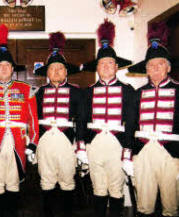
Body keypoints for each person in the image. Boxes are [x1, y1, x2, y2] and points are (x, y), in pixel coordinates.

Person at [0, 24, 39, 217]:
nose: (4, 69)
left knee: (13, 181)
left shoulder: (26, 89)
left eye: (7, 66)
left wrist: (33, 143)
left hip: (17, 141)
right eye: (0, 66)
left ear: (12, 69)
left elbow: (33, 119)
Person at [78, 19, 134, 217]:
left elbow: (132, 124)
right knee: (98, 188)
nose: (106, 66)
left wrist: (128, 150)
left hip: (117, 144)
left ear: (117, 66)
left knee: (116, 188)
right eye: (102, 63)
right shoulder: (88, 92)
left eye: (110, 63)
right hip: (94, 144)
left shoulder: (128, 91)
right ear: (97, 67)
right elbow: (81, 121)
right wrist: (81, 146)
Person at [127, 22, 179, 217]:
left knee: (171, 206)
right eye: (151, 65)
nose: (155, 68)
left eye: (160, 64)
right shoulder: (137, 93)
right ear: (146, 70)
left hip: (172, 154)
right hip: (143, 152)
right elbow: (131, 125)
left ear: (168, 68)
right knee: (144, 206)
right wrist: (128, 155)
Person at [34, 32, 80, 217]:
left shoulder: (77, 93)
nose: (56, 72)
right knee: (46, 181)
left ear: (66, 71)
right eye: (52, 69)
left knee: (67, 181)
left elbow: (82, 119)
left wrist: (80, 144)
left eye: (60, 68)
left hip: (67, 142)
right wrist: (33, 144)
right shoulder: (39, 93)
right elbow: (33, 119)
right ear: (47, 72)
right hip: (45, 142)